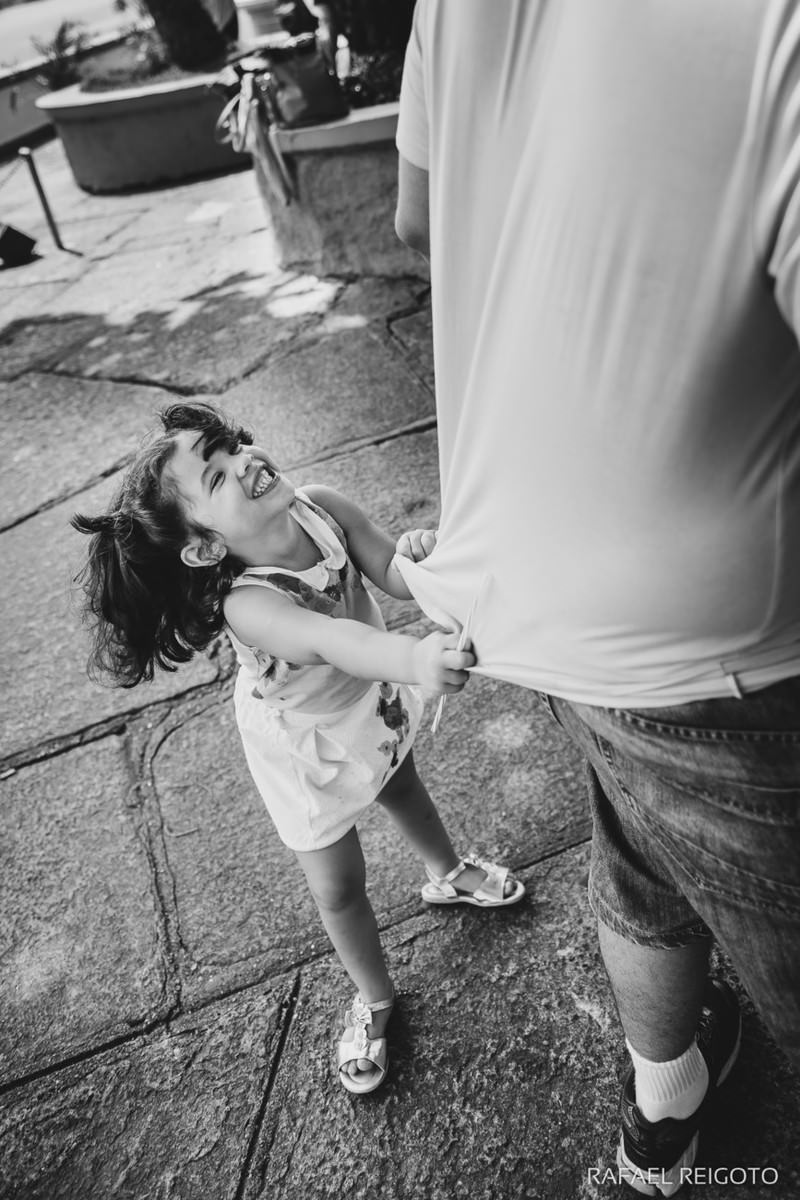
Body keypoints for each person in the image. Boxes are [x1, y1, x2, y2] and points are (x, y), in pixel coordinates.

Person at [394, 0, 800, 1193]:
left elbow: (421, 213)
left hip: (533, 596)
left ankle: (662, 1108)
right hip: (739, 659)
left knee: (637, 861)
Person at [71, 400, 524, 1096]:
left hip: (368, 700)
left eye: (235, 444)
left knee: (402, 782)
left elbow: (389, 570)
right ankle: (373, 998)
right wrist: (415, 659)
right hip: (307, 745)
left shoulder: (322, 505)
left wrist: (426, 561)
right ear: (203, 548)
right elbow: (337, 640)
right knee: (337, 885)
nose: (245, 460)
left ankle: (447, 872)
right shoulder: (249, 604)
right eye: (217, 475)